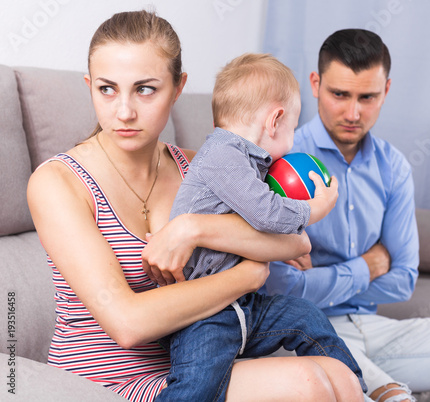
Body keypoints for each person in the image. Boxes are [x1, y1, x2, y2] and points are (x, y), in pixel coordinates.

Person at [27, 11, 364, 402]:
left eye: (145, 89)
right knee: (307, 382)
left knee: (339, 375)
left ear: (177, 87)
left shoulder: (203, 168)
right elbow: (128, 323)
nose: (124, 111)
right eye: (106, 89)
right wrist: (249, 274)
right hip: (103, 383)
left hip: (196, 360)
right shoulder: (58, 182)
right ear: (89, 86)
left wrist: (192, 228)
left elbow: (296, 243)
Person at [263, 28, 430, 402]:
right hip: (308, 333)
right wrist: (368, 266)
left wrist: (323, 280)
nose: (352, 113)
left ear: (385, 91)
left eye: (367, 97)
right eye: (339, 94)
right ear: (315, 83)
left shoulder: (393, 167)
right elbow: (281, 290)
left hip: (376, 327)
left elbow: (403, 280)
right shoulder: (282, 161)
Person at [154, 52, 365, 401]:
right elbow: (266, 213)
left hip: (245, 306)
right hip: (203, 316)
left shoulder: (248, 164)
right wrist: (315, 208)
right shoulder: (222, 155)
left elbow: (253, 234)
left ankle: (357, 388)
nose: (292, 140)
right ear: (275, 120)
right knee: (197, 387)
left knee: (306, 317)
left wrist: (292, 249)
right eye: (293, 129)